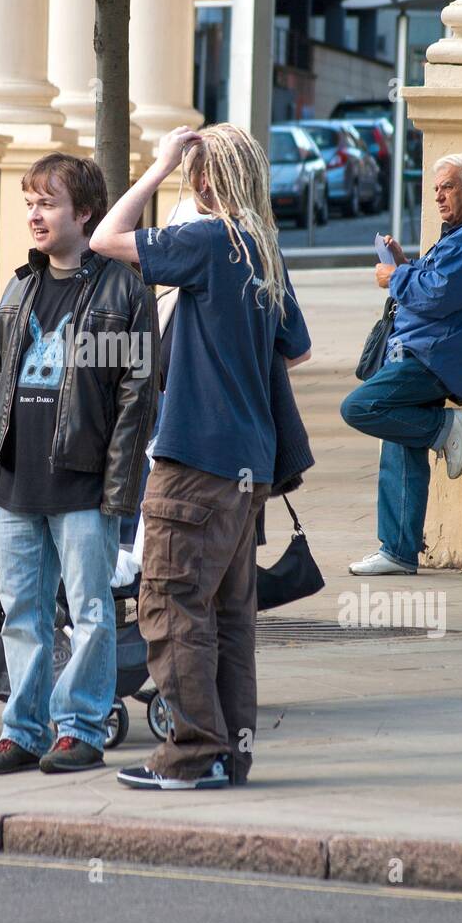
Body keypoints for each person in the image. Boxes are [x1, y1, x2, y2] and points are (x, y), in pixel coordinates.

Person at [90, 124, 312, 790]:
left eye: (192, 172)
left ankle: (190, 755)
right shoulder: (263, 250)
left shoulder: (210, 240)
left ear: (206, 179)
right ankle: (226, 754)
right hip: (249, 463)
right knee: (227, 617)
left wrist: (155, 167)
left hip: (193, 458)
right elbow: (294, 350)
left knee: (167, 606)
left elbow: (104, 239)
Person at [0, 153, 158, 776]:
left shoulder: (123, 287)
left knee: (91, 611)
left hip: (83, 486)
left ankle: (80, 729)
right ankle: (22, 730)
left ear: (85, 213)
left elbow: (138, 395)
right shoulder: (21, 286)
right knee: (23, 614)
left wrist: (119, 486)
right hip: (17, 483)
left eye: (46, 203)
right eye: (29, 203)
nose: (34, 215)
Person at [341, 153, 462, 575]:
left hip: (431, 358)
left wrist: (394, 277)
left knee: (361, 407)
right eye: (435, 188)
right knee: (401, 443)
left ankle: (446, 429)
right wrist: (405, 266)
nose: (438, 195)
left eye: (448, 186)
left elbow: (439, 296)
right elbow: (436, 284)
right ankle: (398, 550)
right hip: (418, 351)